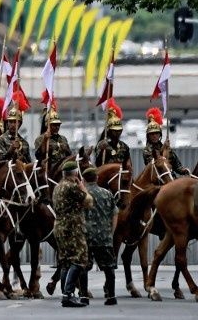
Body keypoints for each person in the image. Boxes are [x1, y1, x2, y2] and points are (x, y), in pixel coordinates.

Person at [52, 160, 93, 307]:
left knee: (65, 261)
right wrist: (83, 188)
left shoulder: (57, 187)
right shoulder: (72, 187)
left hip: (59, 227)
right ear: (75, 173)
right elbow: (89, 202)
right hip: (73, 228)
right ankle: (68, 294)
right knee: (80, 260)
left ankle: (66, 293)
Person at [83, 166, 118, 305]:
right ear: (97, 178)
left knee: (83, 267)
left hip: (86, 237)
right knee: (109, 268)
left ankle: (84, 296)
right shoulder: (107, 193)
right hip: (104, 237)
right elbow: (115, 213)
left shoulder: (82, 194)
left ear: (84, 179)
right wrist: (111, 232)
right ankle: (111, 297)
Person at [142, 108, 189, 176]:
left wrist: (182, 170)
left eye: (156, 133)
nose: (154, 136)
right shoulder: (146, 151)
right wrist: (163, 149)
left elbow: (176, 164)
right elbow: (156, 165)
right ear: (148, 136)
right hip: (156, 178)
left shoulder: (166, 147)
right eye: (152, 134)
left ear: (160, 134)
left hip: (170, 177)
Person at [94, 99, 132, 174]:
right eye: (115, 131)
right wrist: (103, 150)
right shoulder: (102, 144)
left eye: (119, 131)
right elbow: (98, 164)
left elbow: (128, 164)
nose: (117, 133)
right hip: (107, 177)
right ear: (109, 131)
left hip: (122, 177)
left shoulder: (124, 146)